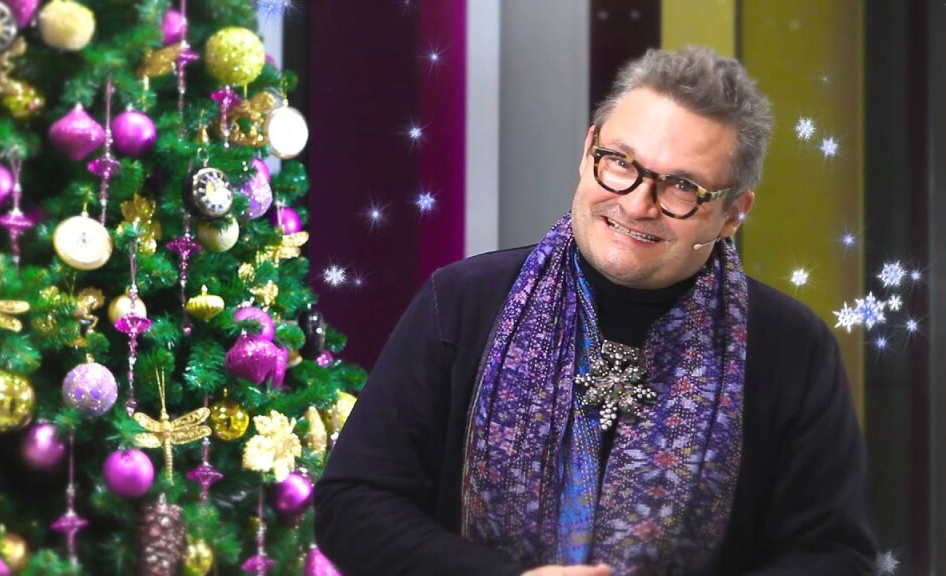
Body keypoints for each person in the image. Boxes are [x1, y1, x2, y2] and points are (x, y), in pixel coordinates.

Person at [314, 46, 877, 575]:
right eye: (621, 162)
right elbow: (352, 505)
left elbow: (834, 556)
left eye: (682, 187)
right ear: (588, 153)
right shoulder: (460, 302)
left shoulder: (792, 348)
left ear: (733, 213)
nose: (637, 203)